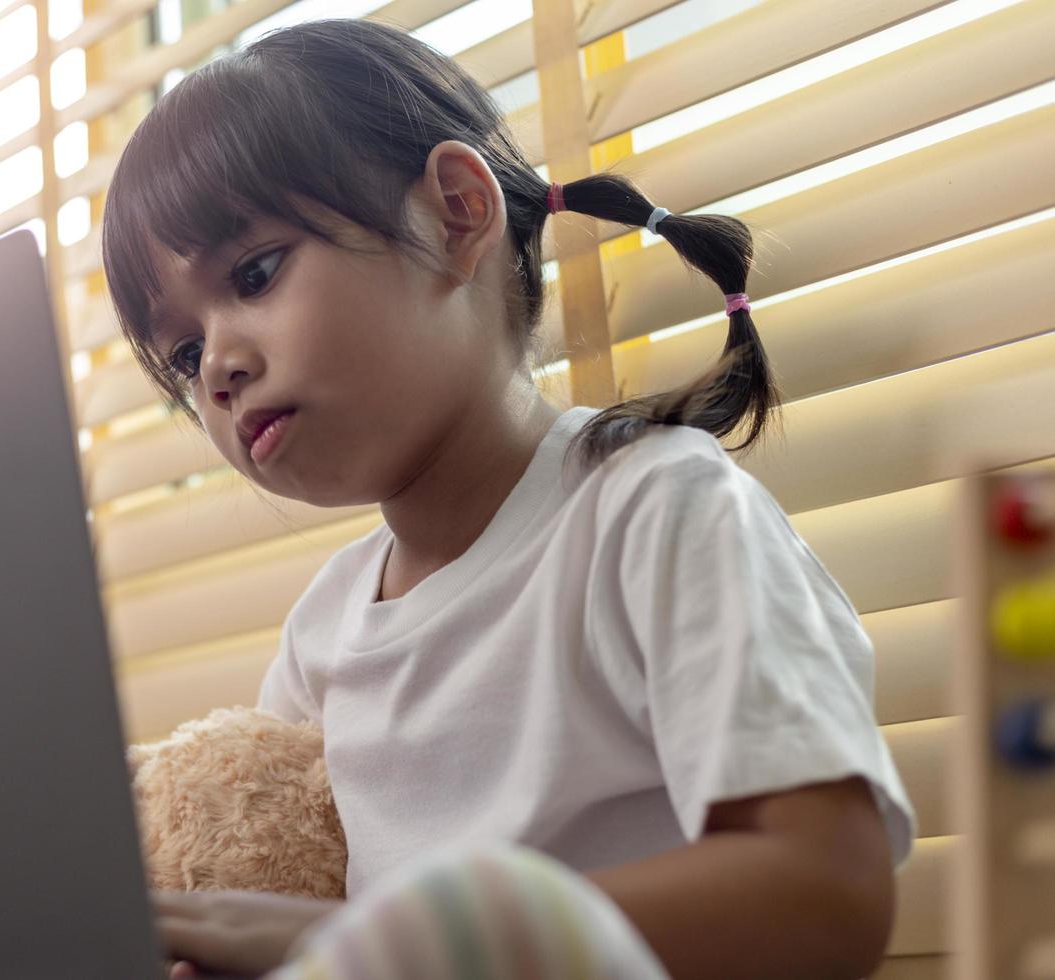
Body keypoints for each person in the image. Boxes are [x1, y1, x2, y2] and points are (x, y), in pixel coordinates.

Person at [100, 17, 916, 979]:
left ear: (454, 213)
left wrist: (392, 946)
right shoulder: (323, 635)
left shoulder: (657, 514)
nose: (220, 370)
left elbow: (827, 894)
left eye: (255, 273)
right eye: (186, 355)